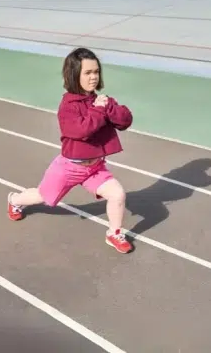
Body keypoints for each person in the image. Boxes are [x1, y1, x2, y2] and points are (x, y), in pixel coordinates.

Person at [7, 47, 133, 254]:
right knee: (43, 197)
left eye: (96, 72)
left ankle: (114, 233)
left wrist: (110, 108)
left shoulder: (101, 101)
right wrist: (99, 109)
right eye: (87, 73)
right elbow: (81, 131)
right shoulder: (68, 106)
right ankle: (14, 200)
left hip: (95, 167)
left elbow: (125, 121)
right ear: (75, 74)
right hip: (69, 167)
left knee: (118, 194)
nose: (93, 77)